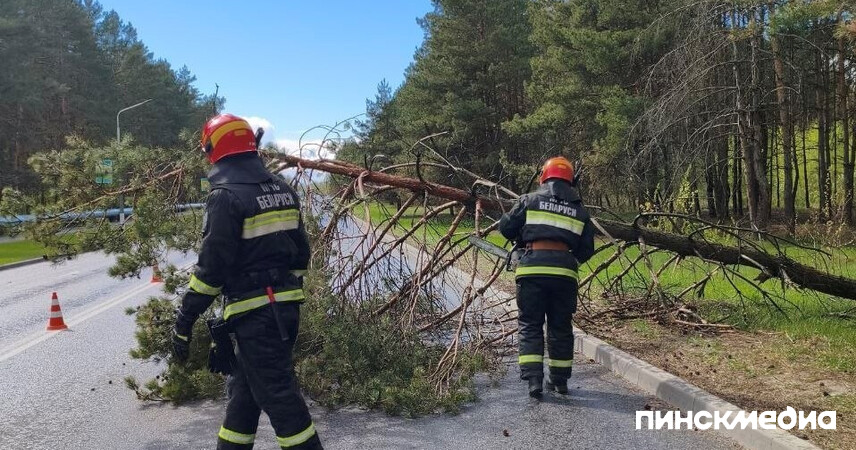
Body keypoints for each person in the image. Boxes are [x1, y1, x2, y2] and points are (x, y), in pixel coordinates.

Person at [172, 113, 322, 449]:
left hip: (257, 317)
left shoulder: (225, 196)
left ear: (214, 151)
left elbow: (211, 272)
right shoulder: (282, 189)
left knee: (281, 400)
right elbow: (301, 254)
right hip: (280, 313)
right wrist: (283, 298)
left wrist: (184, 320)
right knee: (243, 396)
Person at [498, 156, 596, 398]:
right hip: (564, 274)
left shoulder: (529, 200)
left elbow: (505, 228)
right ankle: (559, 381)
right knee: (560, 327)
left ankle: (534, 381)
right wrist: (566, 258)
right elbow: (586, 250)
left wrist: (523, 236)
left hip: (531, 269)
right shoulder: (580, 211)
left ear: (543, 176)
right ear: (572, 180)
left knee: (530, 324)